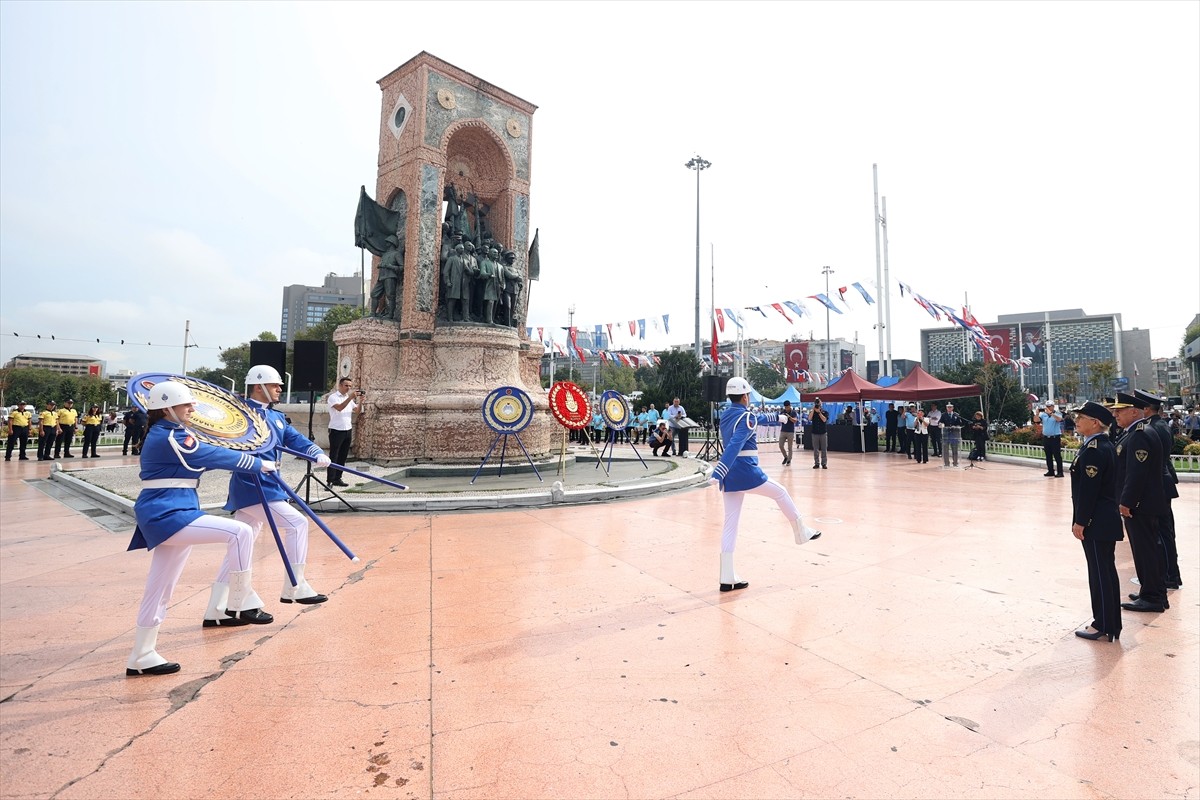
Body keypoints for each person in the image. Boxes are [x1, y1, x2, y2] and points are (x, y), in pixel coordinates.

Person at [125, 380, 277, 677]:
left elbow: (205, 455)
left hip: (175, 507)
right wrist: (257, 464)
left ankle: (141, 655)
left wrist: (243, 455)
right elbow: (208, 456)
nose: (193, 408)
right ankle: (240, 600)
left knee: (160, 587)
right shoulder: (169, 436)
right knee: (241, 532)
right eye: (186, 404)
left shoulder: (171, 433)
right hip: (167, 511)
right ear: (166, 408)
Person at [224, 365, 332, 607]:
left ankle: (219, 605)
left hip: (269, 484)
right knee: (298, 523)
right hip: (252, 484)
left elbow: (294, 439)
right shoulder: (239, 416)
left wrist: (315, 452)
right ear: (258, 386)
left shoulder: (276, 416)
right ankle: (296, 585)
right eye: (275, 385)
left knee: (242, 542)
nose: (280, 389)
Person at [708, 376, 821, 593]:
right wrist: (719, 471)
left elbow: (754, 419)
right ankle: (801, 532)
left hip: (732, 476)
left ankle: (727, 577)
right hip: (744, 471)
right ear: (744, 396)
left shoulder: (727, 415)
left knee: (730, 524)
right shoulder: (746, 416)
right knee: (781, 493)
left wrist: (778, 417)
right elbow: (734, 445)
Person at [1109, 393, 1169, 614]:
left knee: (1146, 550)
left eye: (1120, 411)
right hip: (1144, 502)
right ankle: (1154, 591)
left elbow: (1136, 474)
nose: (1115, 415)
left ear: (1134, 411)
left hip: (1140, 504)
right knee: (1148, 548)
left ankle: (1152, 596)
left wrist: (1127, 501)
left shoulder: (1140, 435)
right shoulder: (1135, 433)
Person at [1068, 401, 1123, 642]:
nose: (1076, 421)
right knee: (1104, 572)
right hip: (1101, 520)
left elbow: (1090, 492)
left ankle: (1103, 624)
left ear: (1095, 423)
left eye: (1081, 418)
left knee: (1101, 574)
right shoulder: (1099, 446)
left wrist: (1081, 521)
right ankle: (1108, 622)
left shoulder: (1096, 450)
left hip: (1096, 522)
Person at [1134, 389, 1181, 591]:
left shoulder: (1156, 427)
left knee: (1163, 532)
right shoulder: (1157, 424)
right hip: (1161, 483)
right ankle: (1168, 574)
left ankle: (1170, 574)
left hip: (1159, 484)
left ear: (1146, 409)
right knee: (1163, 531)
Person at [325, 377, 362, 488]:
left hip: (347, 429)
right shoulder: (333, 397)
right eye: (346, 386)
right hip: (336, 430)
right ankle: (330, 480)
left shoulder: (348, 398)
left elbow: (357, 411)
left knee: (343, 456)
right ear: (340, 385)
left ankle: (338, 478)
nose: (348, 388)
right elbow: (340, 408)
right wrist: (350, 398)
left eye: (350, 386)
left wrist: (360, 401)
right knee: (334, 455)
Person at [1038, 402, 1065, 477]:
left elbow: (1059, 419)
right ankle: (1050, 471)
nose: (1048, 408)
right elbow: (1036, 420)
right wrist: (1037, 414)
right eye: (1047, 406)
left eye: (1050, 406)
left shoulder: (1057, 413)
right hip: (1046, 438)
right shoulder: (1043, 415)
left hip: (1055, 438)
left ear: (1053, 406)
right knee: (1048, 455)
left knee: (1057, 455)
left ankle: (1060, 472)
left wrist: (1051, 413)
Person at [939, 403, 967, 467]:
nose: (949, 408)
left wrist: (956, 426)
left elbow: (960, 423)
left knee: (955, 449)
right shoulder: (943, 415)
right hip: (946, 434)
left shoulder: (956, 415)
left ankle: (955, 463)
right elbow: (940, 422)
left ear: (952, 408)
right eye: (948, 407)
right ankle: (946, 463)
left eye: (950, 407)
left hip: (954, 434)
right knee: (945, 450)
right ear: (946, 408)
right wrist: (941, 425)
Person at [809, 398, 828, 469]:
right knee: (815, 449)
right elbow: (809, 418)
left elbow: (824, 419)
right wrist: (813, 410)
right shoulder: (812, 412)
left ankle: (824, 463)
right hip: (815, 433)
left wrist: (819, 412)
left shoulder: (824, 412)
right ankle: (816, 463)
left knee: (824, 449)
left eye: (819, 404)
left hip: (823, 432)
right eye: (817, 404)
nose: (818, 405)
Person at [778, 400, 798, 466]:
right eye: (785, 407)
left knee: (790, 447)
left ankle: (789, 460)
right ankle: (785, 457)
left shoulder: (793, 412)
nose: (786, 408)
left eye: (787, 407)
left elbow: (795, 421)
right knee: (780, 445)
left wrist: (789, 417)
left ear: (790, 406)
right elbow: (779, 420)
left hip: (790, 432)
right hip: (783, 430)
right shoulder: (782, 412)